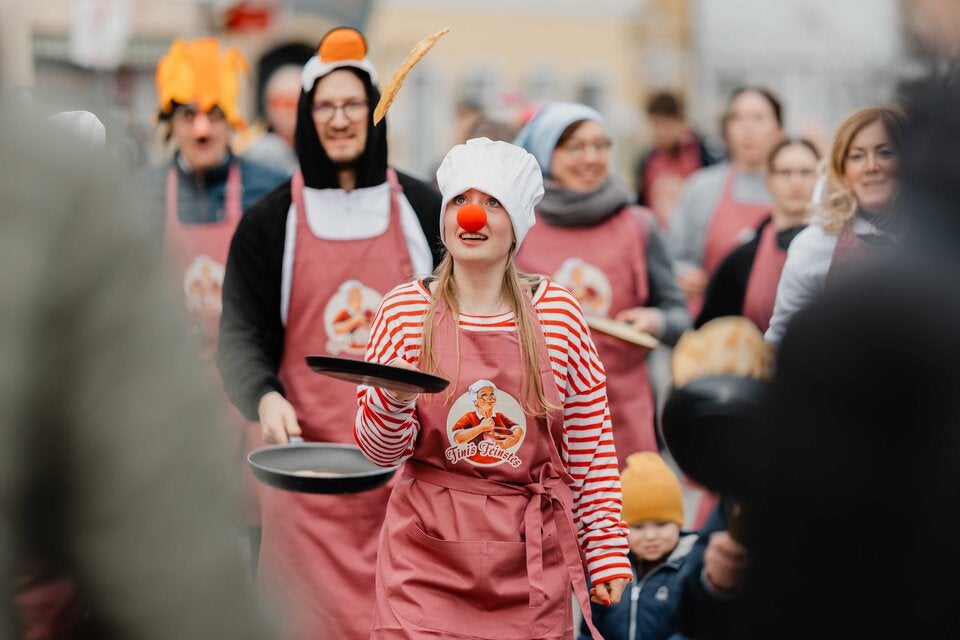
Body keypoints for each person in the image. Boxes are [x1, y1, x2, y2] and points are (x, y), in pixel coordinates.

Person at [0, 96, 280, 639]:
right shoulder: (106, 206)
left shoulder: (263, 194)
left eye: (214, 115)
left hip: (224, 400)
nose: (201, 127)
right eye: (189, 115)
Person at [354, 137, 632, 639]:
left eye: (492, 203)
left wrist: (606, 549)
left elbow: (590, 450)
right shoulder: (404, 311)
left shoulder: (559, 314)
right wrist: (393, 398)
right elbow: (379, 453)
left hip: (529, 568)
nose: (472, 218)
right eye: (460, 200)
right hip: (424, 564)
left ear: (517, 224)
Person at [217, 26, 443, 640]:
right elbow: (239, 334)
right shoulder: (271, 222)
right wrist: (264, 396)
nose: (339, 119)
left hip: (409, 477)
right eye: (324, 106)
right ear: (305, 117)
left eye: (352, 104)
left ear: (376, 110)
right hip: (304, 477)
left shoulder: (425, 209)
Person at [513, 101, 690, 464]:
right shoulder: (518, 225)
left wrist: (655, 321)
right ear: (545, 152)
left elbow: (679, 315)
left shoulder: (639, 225)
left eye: (600, 145)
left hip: (621, 417)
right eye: (575, 146)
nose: (591, 157)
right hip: (535, 414)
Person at [764, 106, 906, 345]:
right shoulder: (814, 244)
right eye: (857, 156)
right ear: (841, 170)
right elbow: (781, 340)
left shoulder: (942, 236)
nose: (871, 166)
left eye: (885, 153)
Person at [668, 87, 784, 316]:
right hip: (713, 330)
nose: (747, 128)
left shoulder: (796, 189)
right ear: (726, 130)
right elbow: (671, 255)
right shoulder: (701, 188)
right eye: (737, 118)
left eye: (758, 118)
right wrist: (683, 274)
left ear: (779, 131)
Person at [696, 138, 821, 332]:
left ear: (822, 179)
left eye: (806, 172)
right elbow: (707, 332)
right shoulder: (741, 259)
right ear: (768, 181)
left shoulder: (837, 252)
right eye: (785, 172)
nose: (796, 182)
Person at [578, 452, 699, 640]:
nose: (650, 536)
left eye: (661, 524)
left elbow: (694, 630)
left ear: (679, 523)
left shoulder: (691, 568)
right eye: (638, 527)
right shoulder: (608, 569)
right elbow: (589, 631)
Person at [635, 91, 721, 228]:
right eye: (654, 124)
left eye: (665, 124)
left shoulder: (705, 156)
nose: (659, 131)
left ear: (680, 122)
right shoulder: (647, 161)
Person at [241, 64, 302, 175]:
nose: (284, 111)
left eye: (292, 104)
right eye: (277, 103)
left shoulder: (317, 147)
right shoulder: (259, 151)